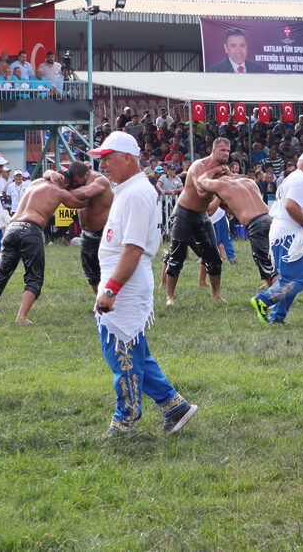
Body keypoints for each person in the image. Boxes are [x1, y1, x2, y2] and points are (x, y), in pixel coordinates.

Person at [88, 131, 198, 436]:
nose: (103, 165)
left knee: (121, 352)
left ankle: (125, 420)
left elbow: (133, 248)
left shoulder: (136, 193)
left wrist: (111, 289)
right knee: (134, 352)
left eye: (107, 158)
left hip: (126, 282)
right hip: (123, 278)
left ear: (127, 158)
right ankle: (175, 406)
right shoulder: (128, 190)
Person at [0, 162, 90, 323]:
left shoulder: (36, 182)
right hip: (30, 230)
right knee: (34, 277)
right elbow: (80, 202)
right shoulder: (59, 191)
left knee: (1, 274)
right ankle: (21, 317)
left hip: (11, 229)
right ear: (65, 183)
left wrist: (50, 173)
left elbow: (47, 173)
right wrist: (95, 183)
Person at [250, 150, 303, 324]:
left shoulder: (294, 178)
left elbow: (292, 205)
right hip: (290, 236)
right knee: (297, 279)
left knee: (290, 278)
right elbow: (290, 205)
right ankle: (263, 300)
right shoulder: (300, 180)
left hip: (283, 234)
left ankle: (277, 317)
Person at [162, 137, 230, 305]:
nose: (226, 154)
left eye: (228, 151)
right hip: (183, 213)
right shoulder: (199, 166)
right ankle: (170, 296)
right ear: (213, 151)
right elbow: (201, 192)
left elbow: (233, 185)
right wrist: (219, 181)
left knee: (214, 256)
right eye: (222, 150)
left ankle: (216, 295)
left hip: (201, 215)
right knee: (177, 256)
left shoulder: (224, 169)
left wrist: (225, 188)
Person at [195, 167, 278, 288]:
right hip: (271, 219)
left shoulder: (223, 187)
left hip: (256, 224)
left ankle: (275, 298)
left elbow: (208, 208)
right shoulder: (249, 182)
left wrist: (218, 192)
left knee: (267, 264)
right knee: (268, 259)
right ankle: (272, 287)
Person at [45, 165, 113, 293]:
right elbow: (47, 176)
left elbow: (86, 192)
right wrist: (52, 173)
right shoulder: (76, 182)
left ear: (87, 174)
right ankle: (100, 303)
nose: (75, 185)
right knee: (91, 274)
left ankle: (113, 302)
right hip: (87, 234)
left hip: (104, 232)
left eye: (77, 182)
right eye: (73, 182)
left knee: (108, 270)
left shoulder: (100, 181)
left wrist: (61, 193)